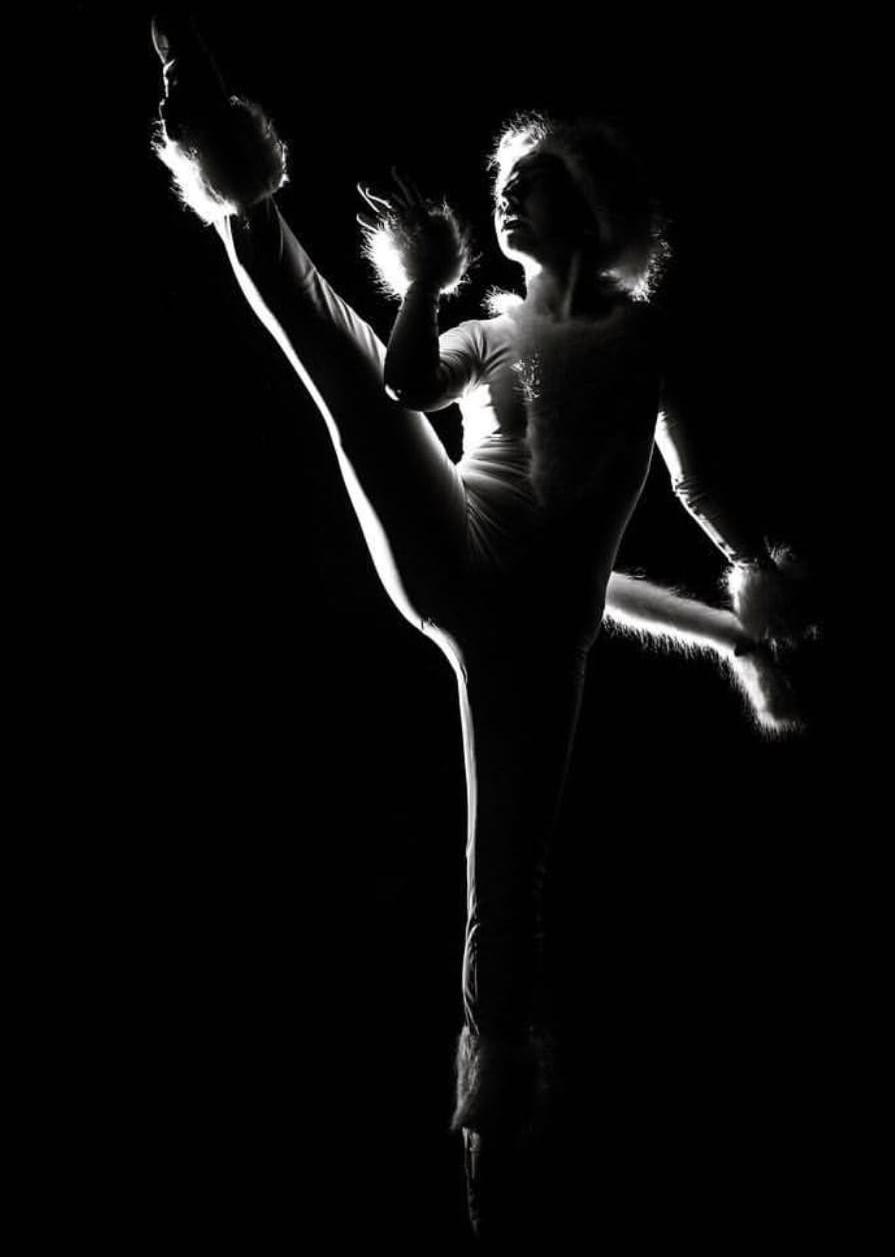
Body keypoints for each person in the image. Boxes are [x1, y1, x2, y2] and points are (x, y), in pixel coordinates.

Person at [150, 13, 816, 1238]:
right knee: (344, 368)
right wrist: (417, 284)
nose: (506, 196)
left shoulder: (642, 346)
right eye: (502, 181)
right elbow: (403, 383)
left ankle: (488, 1160)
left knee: (503, 887)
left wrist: (746, 597)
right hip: (454, 545)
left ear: (591, 204)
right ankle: (220, 145)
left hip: (536, 631)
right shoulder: (493, 328)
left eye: (533, 180)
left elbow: (677, 506)